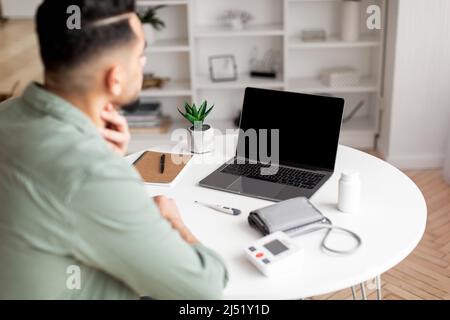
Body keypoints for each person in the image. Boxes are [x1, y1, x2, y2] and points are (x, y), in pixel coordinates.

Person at [0, 0, 228, 299]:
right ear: (115, 78)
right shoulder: (88, 172)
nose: (144, 64)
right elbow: (204, 288)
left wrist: (107, 159)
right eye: (141, 55)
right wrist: (172, 220)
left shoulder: (7, 113)